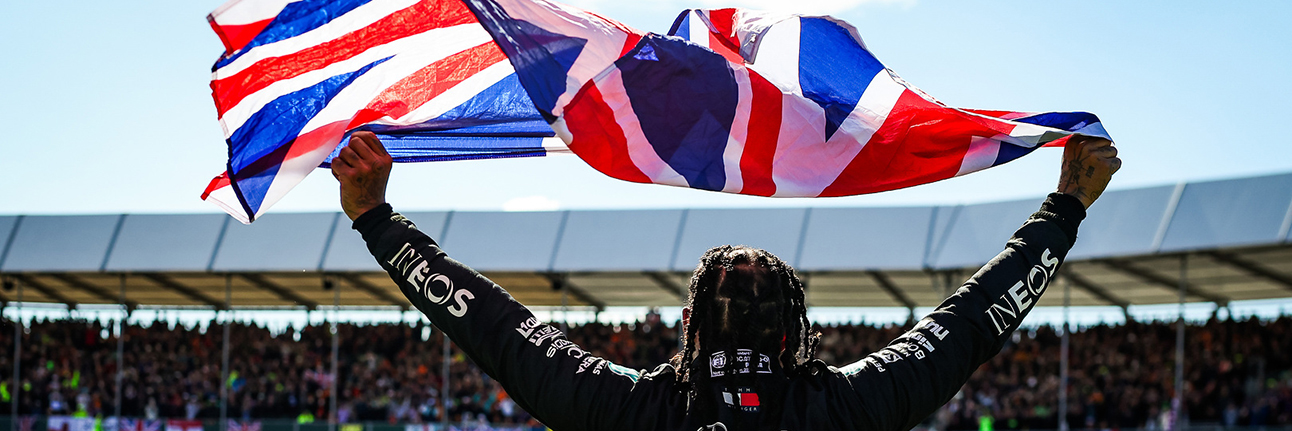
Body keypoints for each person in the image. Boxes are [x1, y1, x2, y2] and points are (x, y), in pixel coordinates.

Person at [331, 131, 1119, 431]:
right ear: (791, 328)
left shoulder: (636, 407)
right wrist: (1064, 208)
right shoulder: (843, 405)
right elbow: (968, 323)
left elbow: (498, 329)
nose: (744, 299)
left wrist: (378, 222)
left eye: (746, 292)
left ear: (693, 324)